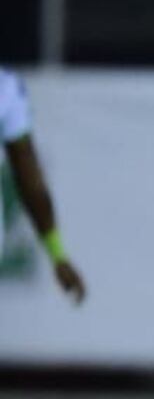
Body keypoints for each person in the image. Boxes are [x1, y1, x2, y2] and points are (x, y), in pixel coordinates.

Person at [0, 68, 86, 303]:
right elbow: (29, 179)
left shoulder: (6, 89)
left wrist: (58, 255)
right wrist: (57, 254)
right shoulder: (6, 88)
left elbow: (29, 179)